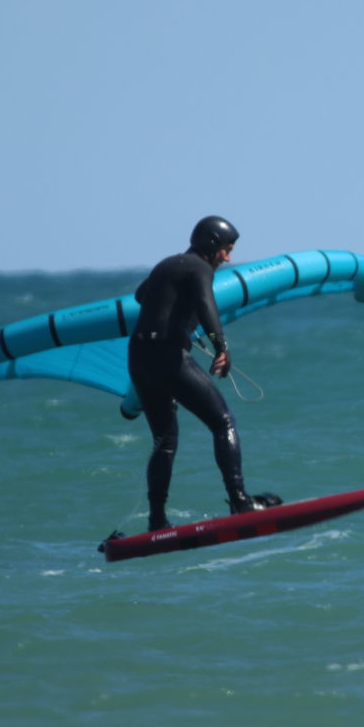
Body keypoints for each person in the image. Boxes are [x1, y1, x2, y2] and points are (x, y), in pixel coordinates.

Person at [127, 216, 278, 531]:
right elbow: (207, 305)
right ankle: (240, 501)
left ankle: (157, 520)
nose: (228, 258)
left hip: (139, 356)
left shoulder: (167, 265)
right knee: (223, 422)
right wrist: (221, 346)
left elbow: (142, 295)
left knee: (164, 440)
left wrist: (174, 309)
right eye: (227, 249)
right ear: (212, 244)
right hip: (168, 356)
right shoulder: (199, 268)